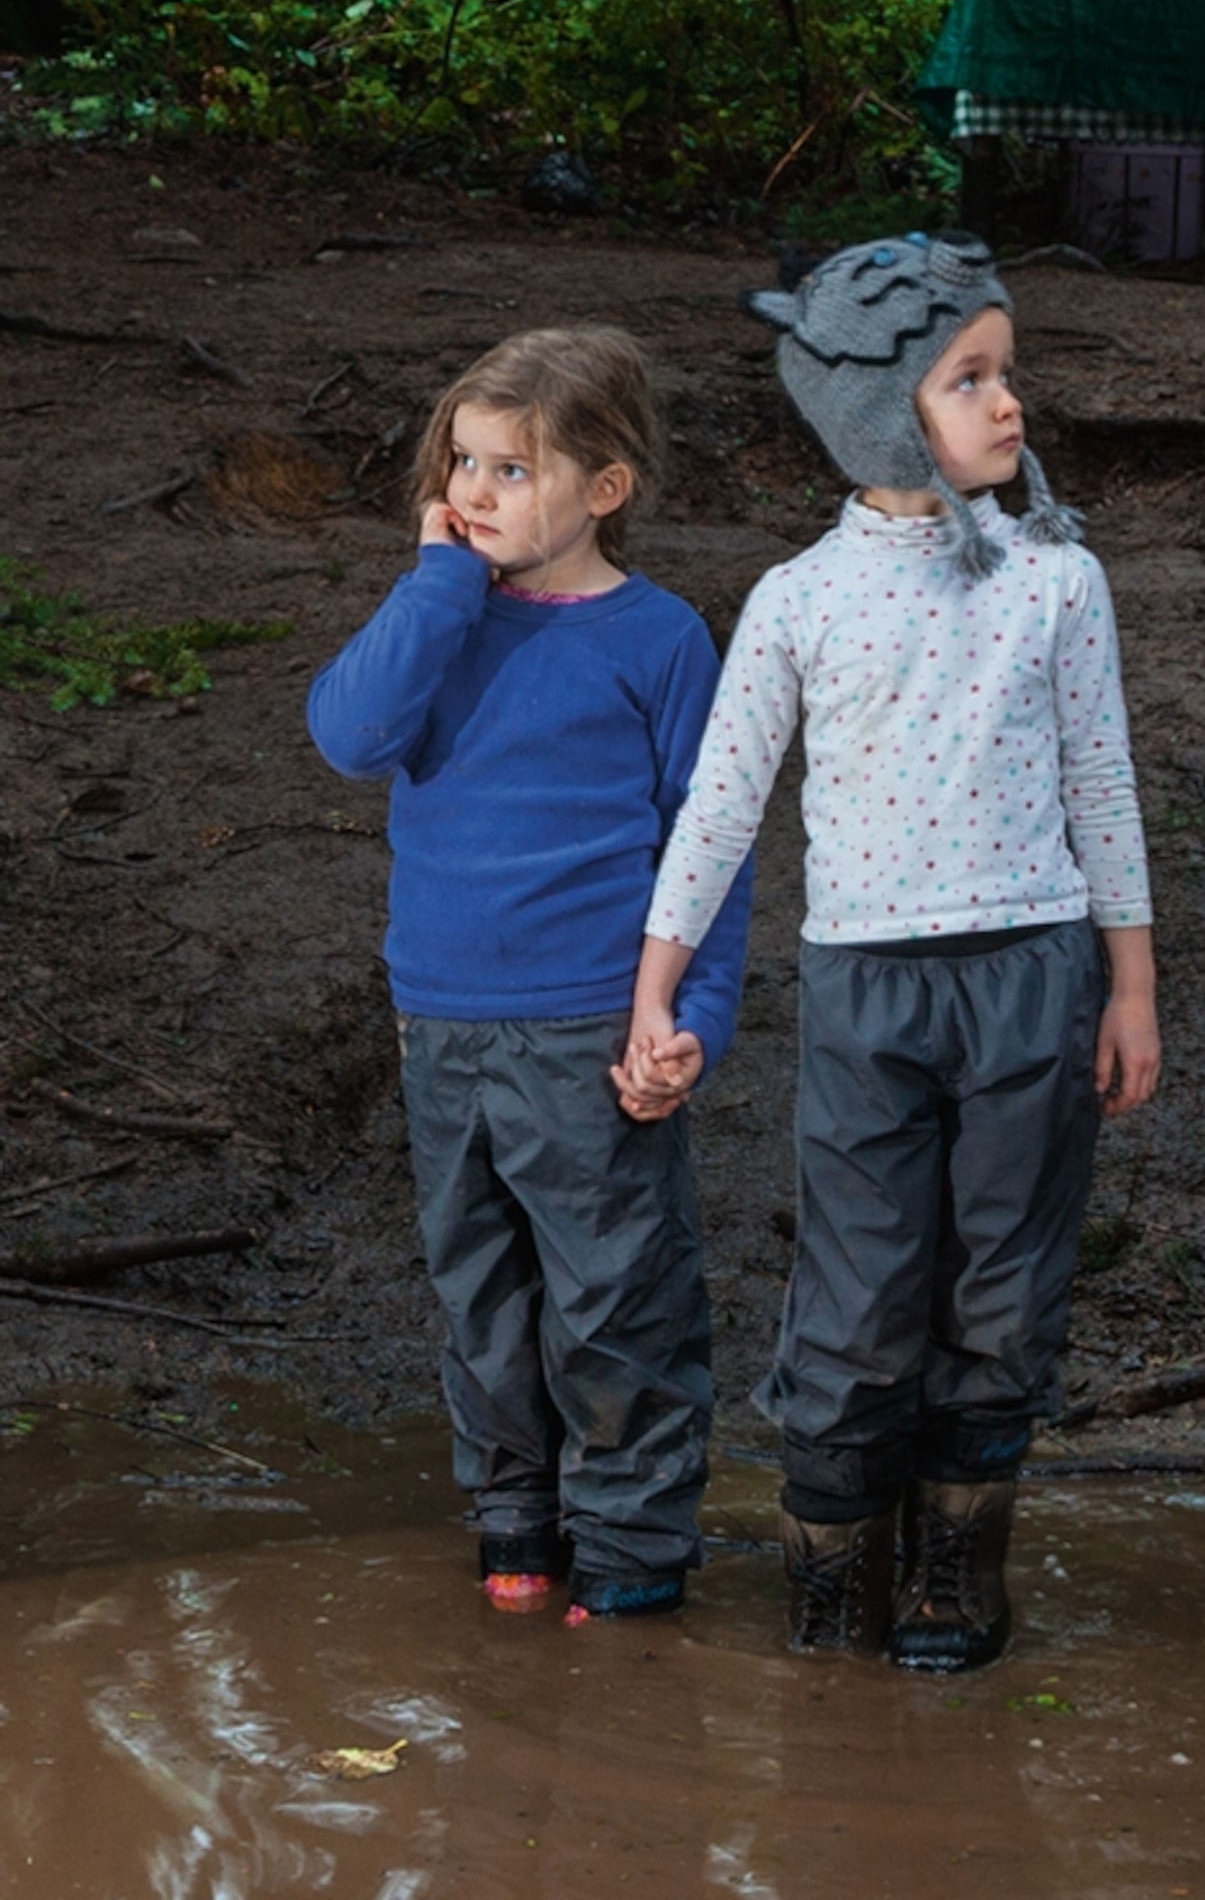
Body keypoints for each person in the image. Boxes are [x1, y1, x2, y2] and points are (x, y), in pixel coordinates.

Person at [619, 232, 1160, 1670]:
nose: (1007, 406)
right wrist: (655, 984)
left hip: (1033, 978)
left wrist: (1131, 989)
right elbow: (722, 803)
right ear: (874, 411)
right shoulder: (799, 601)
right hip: (866, 989)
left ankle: (950, 1568)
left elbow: (1101, 785)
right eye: (967, 379)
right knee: (855, 1299)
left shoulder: (1058, 580)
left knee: (1002, 1281)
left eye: (1007, 375)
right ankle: (829, 1567)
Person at [307, 325, 751, 1623]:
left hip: (590, 1030)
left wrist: (693, 1018)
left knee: (617, 1294)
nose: (475, 493)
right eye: (463, 464)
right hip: (440, 1022)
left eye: (512, 469)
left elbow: (705, 851)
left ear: (604, 489)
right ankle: (518, 1522)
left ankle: (629, 1555)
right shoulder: (439, 622)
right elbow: (347, 736)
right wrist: (437, 585)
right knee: (479, 1286)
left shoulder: (659, 640)